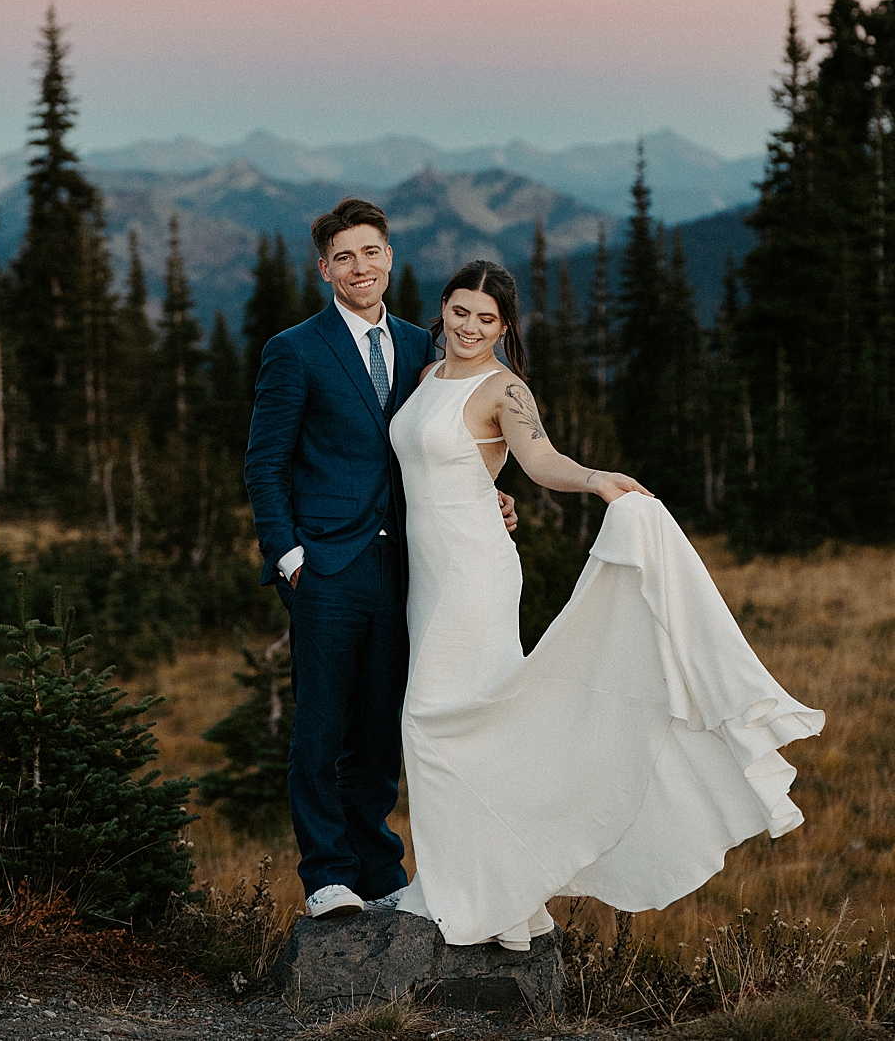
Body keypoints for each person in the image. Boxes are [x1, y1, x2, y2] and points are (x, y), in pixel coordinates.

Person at [390, 260, 824, 951]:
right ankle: (497, 893)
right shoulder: (423, 379)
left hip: (475, 573)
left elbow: (538, 460)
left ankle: (477, 894)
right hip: (428, 574)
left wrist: (594, 480)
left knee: (437, 722)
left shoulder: (506, 388)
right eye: (461, 311)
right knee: (464, 730)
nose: (470, 327)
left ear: (505, 327)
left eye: (487, 318)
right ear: (442, 309)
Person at [245, 201, 517, 919]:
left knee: (380, 726)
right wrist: (289, 557)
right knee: (322, 725)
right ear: (324, 269)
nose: (360, 268)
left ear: (390, 257)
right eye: (344, 257)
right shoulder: (294, 349)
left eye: (371, 253)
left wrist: (490, 496)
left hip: (406, 568)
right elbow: (264, 465)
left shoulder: (422, 348)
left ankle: (378, 867)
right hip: (326, 568)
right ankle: (327, 875)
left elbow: (444, 445)